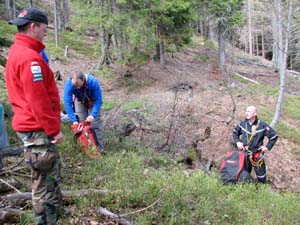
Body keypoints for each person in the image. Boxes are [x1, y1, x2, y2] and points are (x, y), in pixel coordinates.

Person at [5, 8, 64, 224]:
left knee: (45, 178)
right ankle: (45, 220)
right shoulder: (29, 59)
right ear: (33, 26)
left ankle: (54, 215)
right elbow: (37, 99)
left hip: (32, 127)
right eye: (44, 29)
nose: (45, 34)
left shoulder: (17, 51)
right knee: (43, 184)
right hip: (37, 128)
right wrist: (54, 130)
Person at [233, 106, 278, 184]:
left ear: (255, 113)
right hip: (245, 154)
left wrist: (267, 147)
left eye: (249, 112)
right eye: (246, 111)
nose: (246, 113)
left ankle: (262, 191)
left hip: (257, 156)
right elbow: (235, 132)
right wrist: (237, 142)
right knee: (244, 174)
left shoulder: (262, 125)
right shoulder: (243, 124)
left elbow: (274, 136)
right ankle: (245, 189)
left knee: (261, 177)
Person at [63, 71, 106, 153]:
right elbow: (67, 103)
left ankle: (100, 150)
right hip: (79, 101)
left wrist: (93, 115)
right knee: (82, 125)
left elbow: (98, 100)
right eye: (75, 86)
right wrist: (74, 121)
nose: (77, 88)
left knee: (95, 125)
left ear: (83, 80)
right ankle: (87, 149)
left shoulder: (93, 82)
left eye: (79, 85)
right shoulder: (69, 85)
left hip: (93, 102)